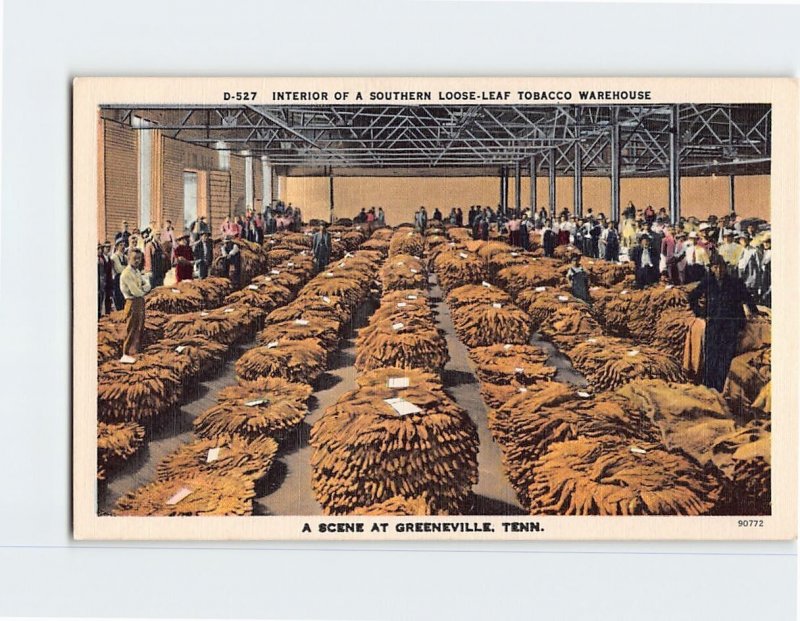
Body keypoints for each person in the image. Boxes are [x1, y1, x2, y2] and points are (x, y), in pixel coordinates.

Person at [688, 255, 760, 391]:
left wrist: (755, 312)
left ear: (726, 268)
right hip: (714, 323)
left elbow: (747, 298)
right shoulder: (708, 282)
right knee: (711, 356)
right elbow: (692, 296)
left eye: (721, 267)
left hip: (731, 324)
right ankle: (709, 387)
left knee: (725, 357)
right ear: (711, 268)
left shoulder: (735, 282)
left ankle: (720, 388)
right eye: (715, 267)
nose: (719, 270)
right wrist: (701, 313)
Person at [118, 248, 152, 363]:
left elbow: (147, 284)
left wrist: (143, 288)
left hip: (140, 302)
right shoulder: (126, 274)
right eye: (134, 258)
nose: (137, 261)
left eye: (139, 258)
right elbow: (135, 292)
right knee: (131, 328)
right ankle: (127, 353)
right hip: (132, 303)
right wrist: (143, 289)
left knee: (139, 327)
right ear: (128, 259)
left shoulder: (137, 271)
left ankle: (135, 352)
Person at [110, 241, 127, 310]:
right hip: (118, 280)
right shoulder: (114, 257)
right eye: (120, 245)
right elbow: (119, 269)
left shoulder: (125, 257)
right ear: (116, 247)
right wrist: (127, 269)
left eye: (124, 245)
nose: (123, 247)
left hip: (125, 279)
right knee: (118, 298)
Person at [97, 244, 108, 318]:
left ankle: (99, 312)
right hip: (97, 280)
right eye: (98, 249)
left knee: (101, 297)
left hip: (102, 280)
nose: (100, 251)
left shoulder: (102, 259)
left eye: (101, 249)